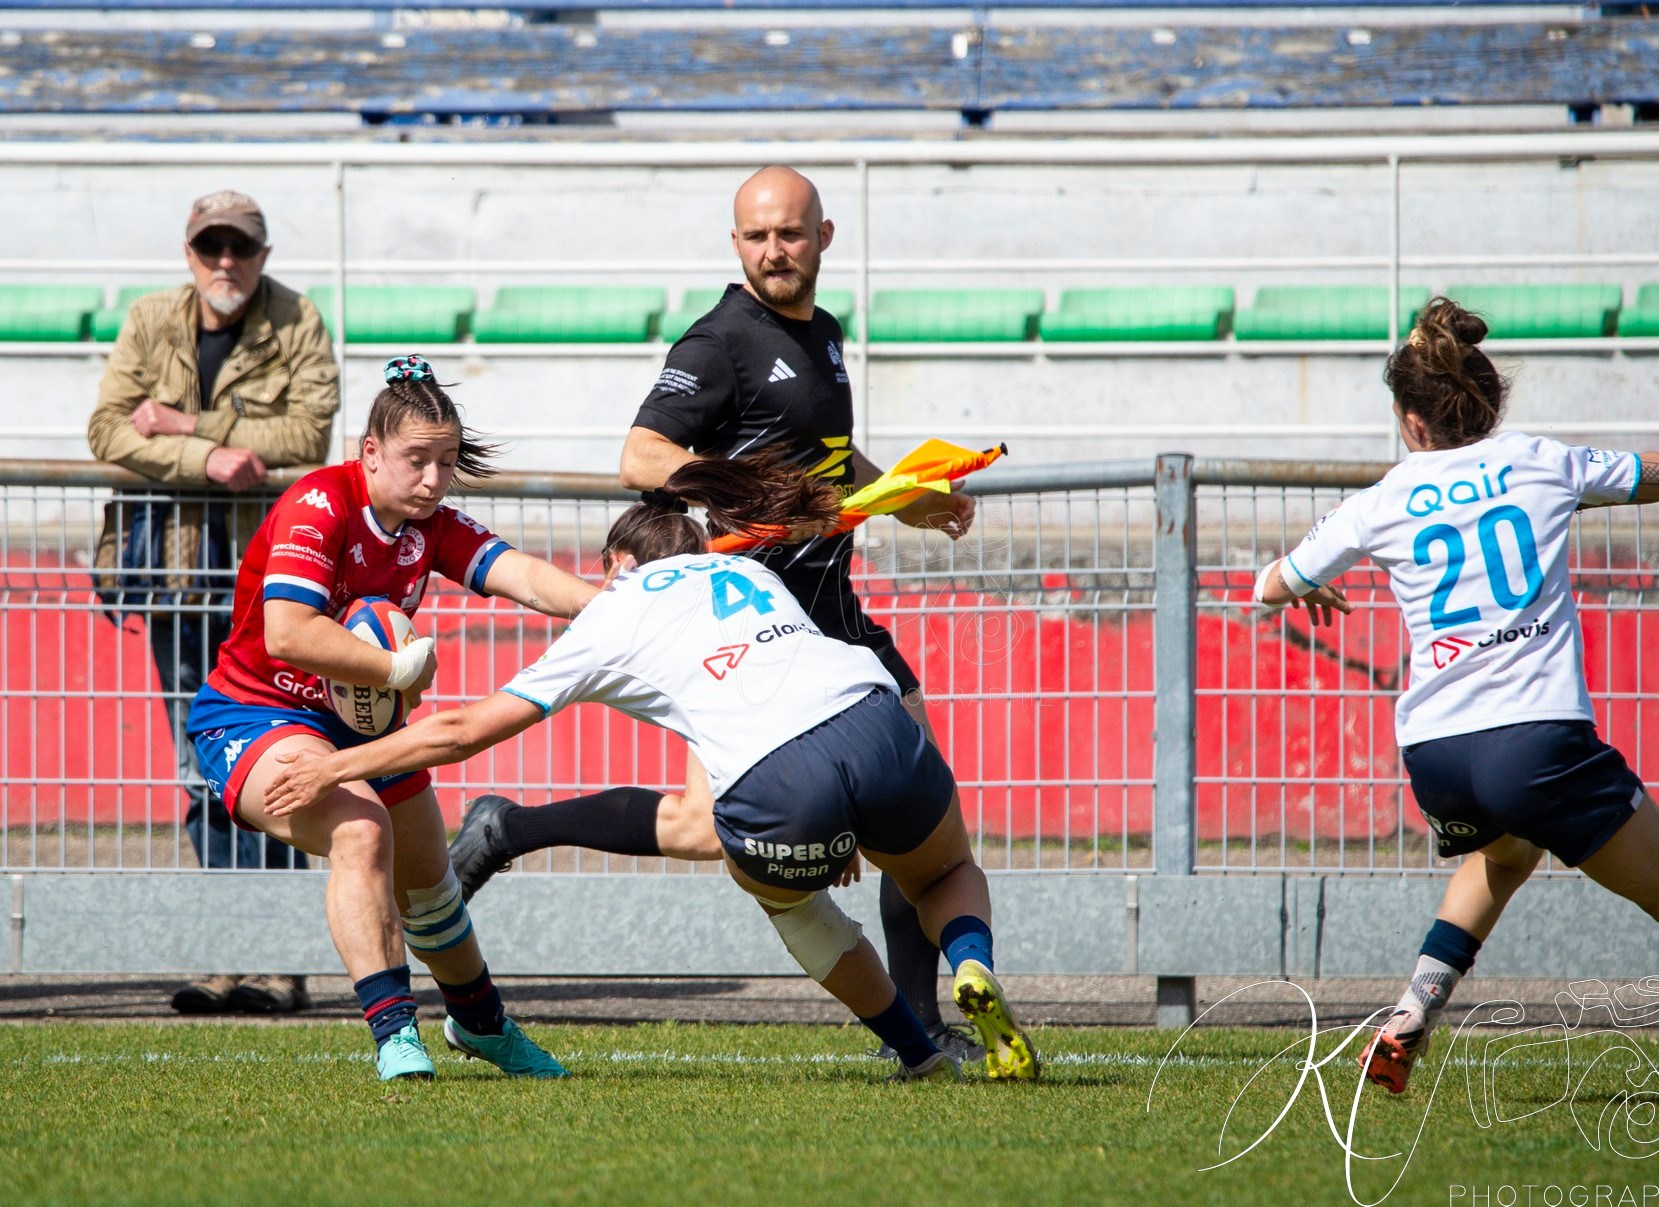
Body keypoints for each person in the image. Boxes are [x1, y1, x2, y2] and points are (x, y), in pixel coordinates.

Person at [266, 452, 1039, 1083]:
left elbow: (465, 729)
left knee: (794, 908)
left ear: (614, 561)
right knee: (943, 873)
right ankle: (973, 964)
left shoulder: (610, 612)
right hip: (872, 717)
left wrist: (342, 765)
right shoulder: (750, 576)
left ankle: (919, 1054)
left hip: (778, 781)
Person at [447, 165, 983, 1062]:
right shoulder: (721, 342)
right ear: (736, 245)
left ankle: (925, 1030)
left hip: (835, 610)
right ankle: (509, 827)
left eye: (791, 233)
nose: (776, 249)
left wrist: (902, 495)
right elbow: (641, 454)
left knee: (920, 813)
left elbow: (830, 460)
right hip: (759, 631)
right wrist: (755, 495)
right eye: (758, 235)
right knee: (704, 828)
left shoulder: (827, 337)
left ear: (824, 236)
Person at [1252, 298, 1659, 1095]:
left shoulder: (1384, 497)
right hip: (1535, 738)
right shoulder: (1543, 460)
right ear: (1488, 400)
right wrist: (1619, 481)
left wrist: (1308, 592)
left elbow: (1271, 585)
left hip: (1437, 752)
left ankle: (1408, 1015)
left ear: (1411, 422)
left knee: (1503, 852)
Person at [184, 354, 598, 1082]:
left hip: (360, 722)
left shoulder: (427, 522)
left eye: (447, 460)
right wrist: (396, 669)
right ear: (369, 452)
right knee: (359, 826)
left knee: (431, 880)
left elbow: (523, 574)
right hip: (255, 712)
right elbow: (286, 632)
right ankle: (395, 1034)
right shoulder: (321, 503)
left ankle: (483, 1026)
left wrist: (612, 608)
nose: (436, 479)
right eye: (418, 460)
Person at [88, 189, 337, 1016]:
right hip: (173, 575)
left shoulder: (299, 321)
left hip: (274, 587)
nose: (224, 263)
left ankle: (280, 958)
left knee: (283, 760)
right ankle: (231, 951)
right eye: (209, 248)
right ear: (189, 254)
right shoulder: (149, 317)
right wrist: (210, 454)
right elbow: (107, 430)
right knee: (204, 770)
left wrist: (180, 426)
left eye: (240, 248)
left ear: (263, 255)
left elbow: (308, 437)